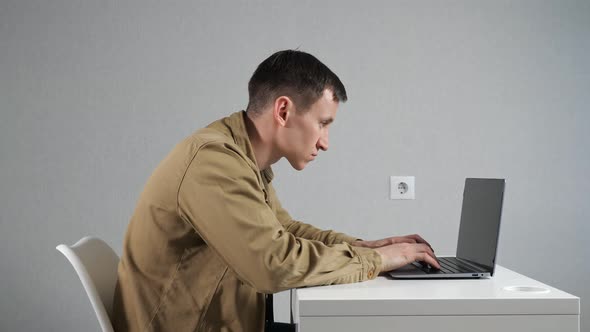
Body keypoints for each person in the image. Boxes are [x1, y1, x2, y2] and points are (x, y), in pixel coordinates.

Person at [112, 49, 440, 332]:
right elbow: (274, 265)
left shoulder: (240, 158)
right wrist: (376, 259)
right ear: (283, 111)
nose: (325, 143)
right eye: (323, 123)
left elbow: (283, 230)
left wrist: (362, 246)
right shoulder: (214, 162)